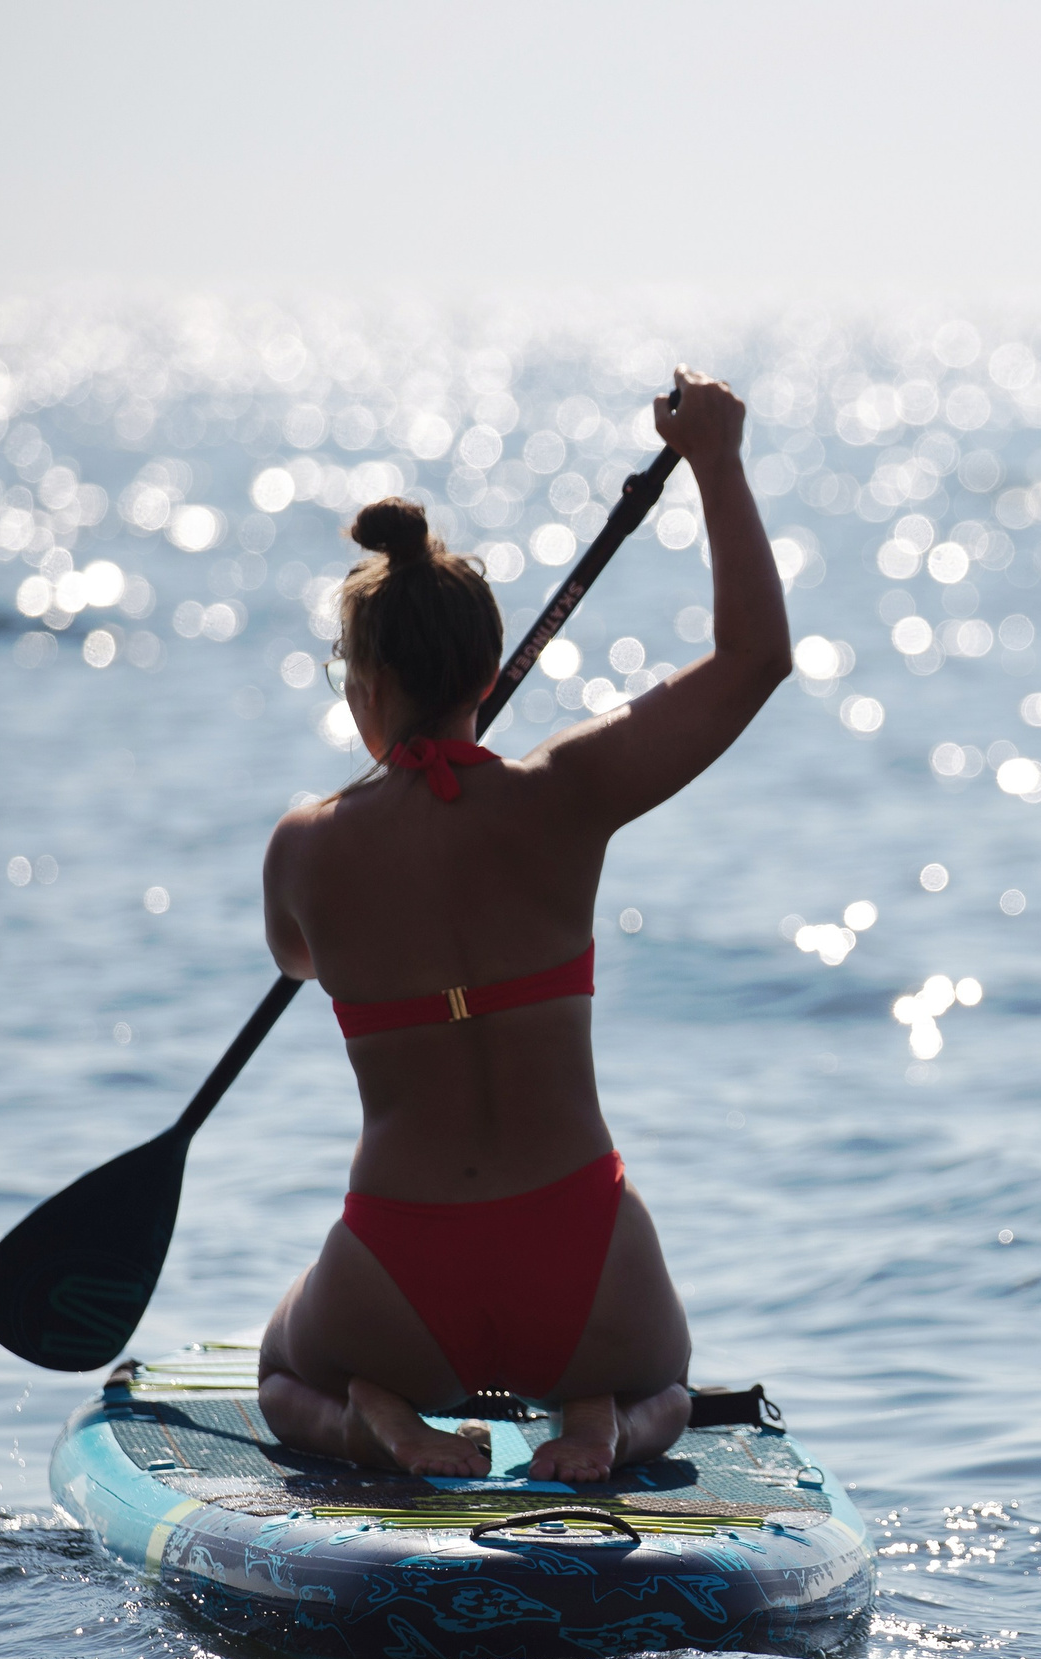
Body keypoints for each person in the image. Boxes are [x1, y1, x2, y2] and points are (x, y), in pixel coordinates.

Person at [255, 369, 790, 1481]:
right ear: (489, 670)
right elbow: (753, 661)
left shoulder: (305, 848)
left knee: (278, 1373)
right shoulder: (565, 794)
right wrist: (716, 463)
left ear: (364, 688)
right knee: (670, 1386)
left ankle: (377, 1423)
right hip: (585, 1266)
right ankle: (605, 1424)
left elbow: (296, 959)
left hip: (396, 1279)